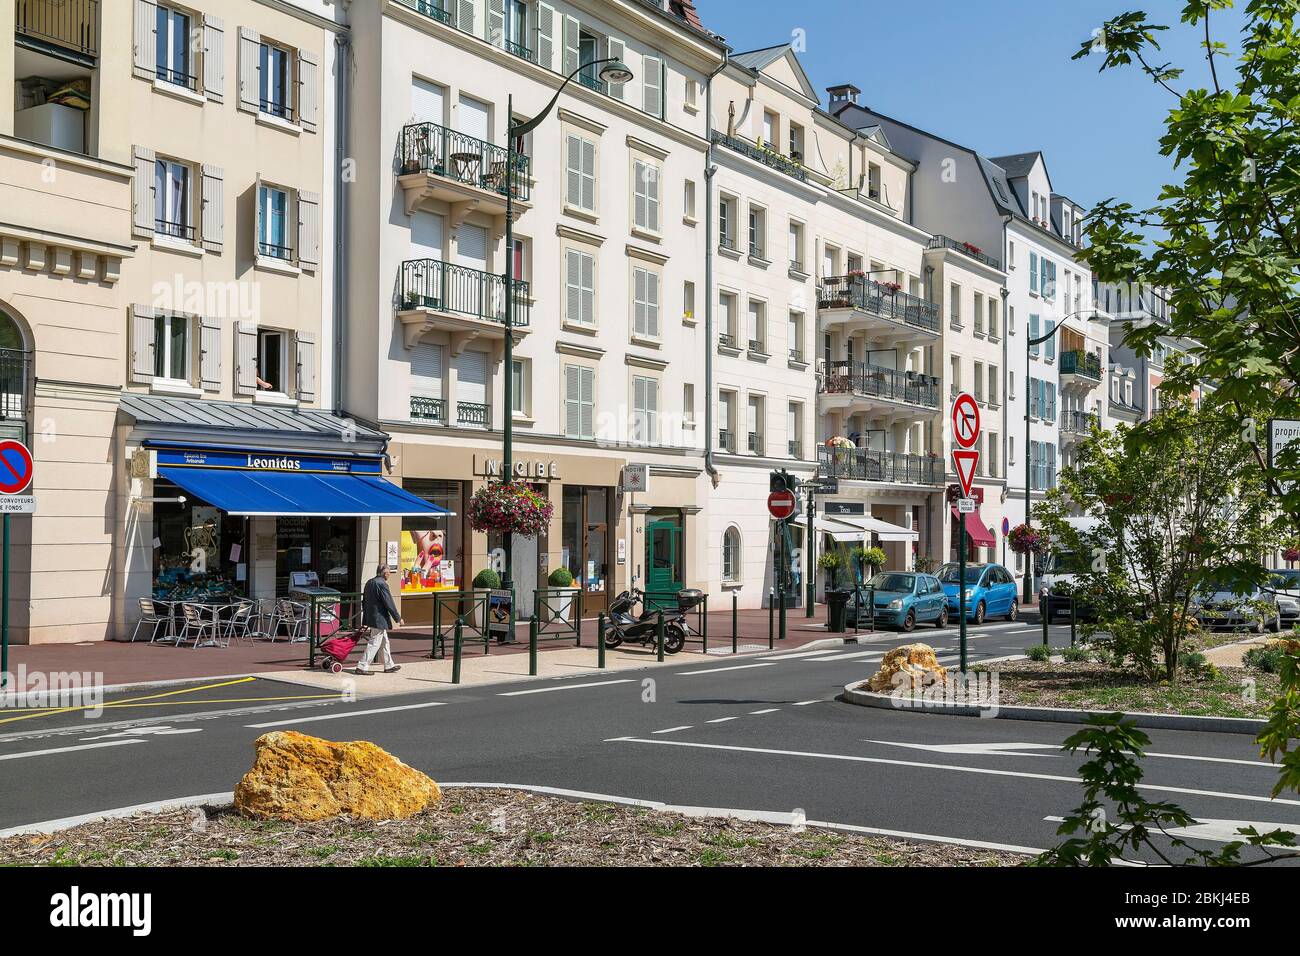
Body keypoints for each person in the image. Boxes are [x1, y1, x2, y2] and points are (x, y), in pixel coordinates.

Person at [358, 563, 403, 674]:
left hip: (372, 616)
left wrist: (366, 617)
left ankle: (389, 665)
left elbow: (364, 601)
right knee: (374, 642)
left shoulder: (369, 582)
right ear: (384, 573)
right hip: (379, 618)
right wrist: (398, 618)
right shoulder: (382, 584)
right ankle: (362, 666)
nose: (390, 575)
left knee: (384, 641)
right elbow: (389, 603)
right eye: (389, 572)